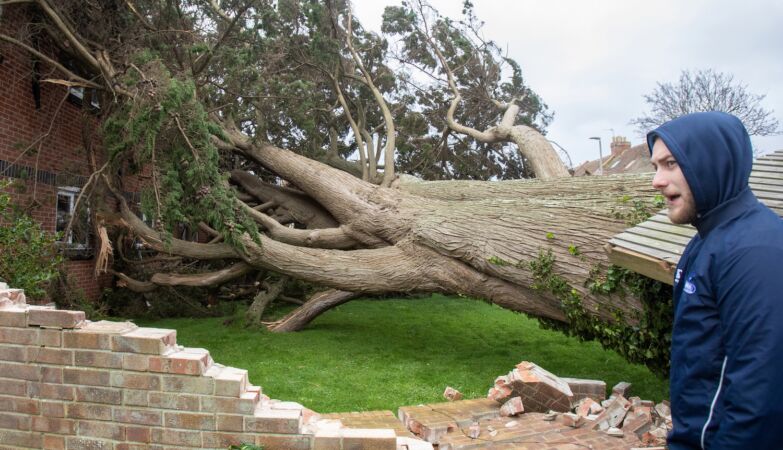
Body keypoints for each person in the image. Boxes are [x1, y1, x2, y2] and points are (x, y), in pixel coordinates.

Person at [647, 111, 783, 449]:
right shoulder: (708, 240)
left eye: (671, 164)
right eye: (655, 167)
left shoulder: (755, 251)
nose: (657, 181)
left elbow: (759, 398)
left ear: (710, 163)